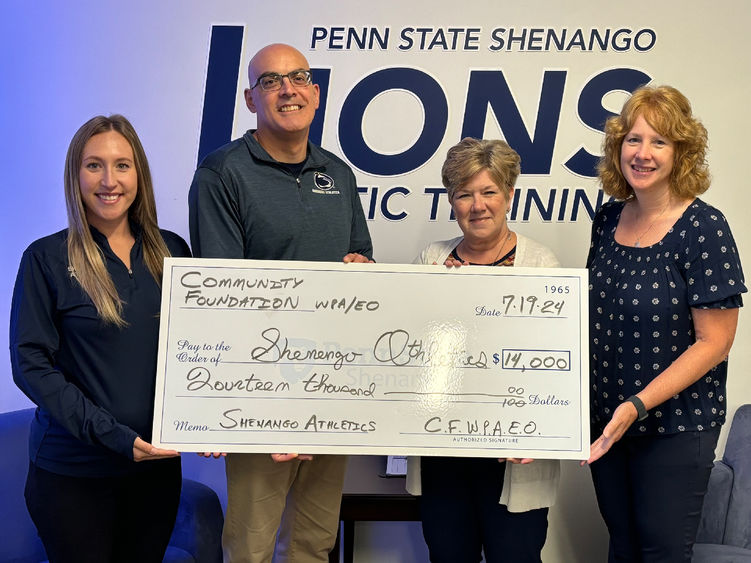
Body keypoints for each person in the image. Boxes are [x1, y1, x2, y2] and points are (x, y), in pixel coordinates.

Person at [188, 43, 373, 562]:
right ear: (250, 98)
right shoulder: (222, 173)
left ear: (315, 92)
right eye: (270, 81)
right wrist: (273, 404)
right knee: (251, 543)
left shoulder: (338, 174)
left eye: (298, 78)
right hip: (260, 391)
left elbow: (361, 262)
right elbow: (222, 294)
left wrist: (364, 273)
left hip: (330, 386)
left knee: (315, 541)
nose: (287, 89)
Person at [9, 114, 191, 563]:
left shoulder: (174, 252)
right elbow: (30, 364)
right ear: (75, 175)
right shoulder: (46, 258)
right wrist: (112, 435)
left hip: (156, 472)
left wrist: (215, 416)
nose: (109, 180)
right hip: (74, 476)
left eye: (122, 165)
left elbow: (201, 350)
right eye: (94, 165)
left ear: (139, 175)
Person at [584, 84, 746, 562]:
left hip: (676, 427)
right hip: (609, 421)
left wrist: (637, 404)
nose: (643, 153)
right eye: (632, 139)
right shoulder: (608, 218)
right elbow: (594, 321)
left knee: (661, 553)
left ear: (682, 151)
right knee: (622, 546)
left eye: (659, 141)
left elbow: (715, 343)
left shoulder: (705, 228)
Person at [407, 137, 561, 563]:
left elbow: (553, 367)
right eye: (464, 194)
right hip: (445, 456)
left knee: (516, 556)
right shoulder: (430, 261)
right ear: (451, 202)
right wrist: (441, 304)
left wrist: (541, 428)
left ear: (509, 195)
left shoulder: (541, 265)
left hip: (514, 456)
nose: (478, 205)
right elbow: (407, 359)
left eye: (489, 192)